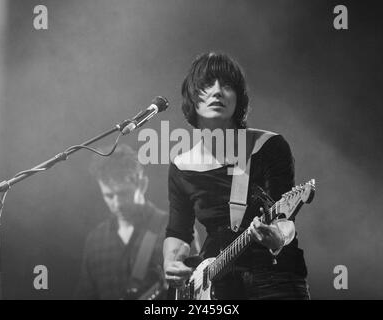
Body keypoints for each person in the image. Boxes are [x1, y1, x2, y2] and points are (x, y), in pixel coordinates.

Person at [163, 52, 310, 300]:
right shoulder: (181, 166)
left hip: (272, 279)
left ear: (238, 99)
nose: (218, 91)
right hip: (214, 284)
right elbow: (178, 232)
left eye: (227, 85)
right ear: (191, 97)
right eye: (208, 84)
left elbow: (284, 217)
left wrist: (277, 238)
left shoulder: (268, 146)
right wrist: (171, 263)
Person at [75, 144, 168, 300]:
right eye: (109, 196)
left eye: (123, 194)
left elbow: (196, 284)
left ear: (142, 185)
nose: (117, 204)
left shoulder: (173, 228)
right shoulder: (95, 241)